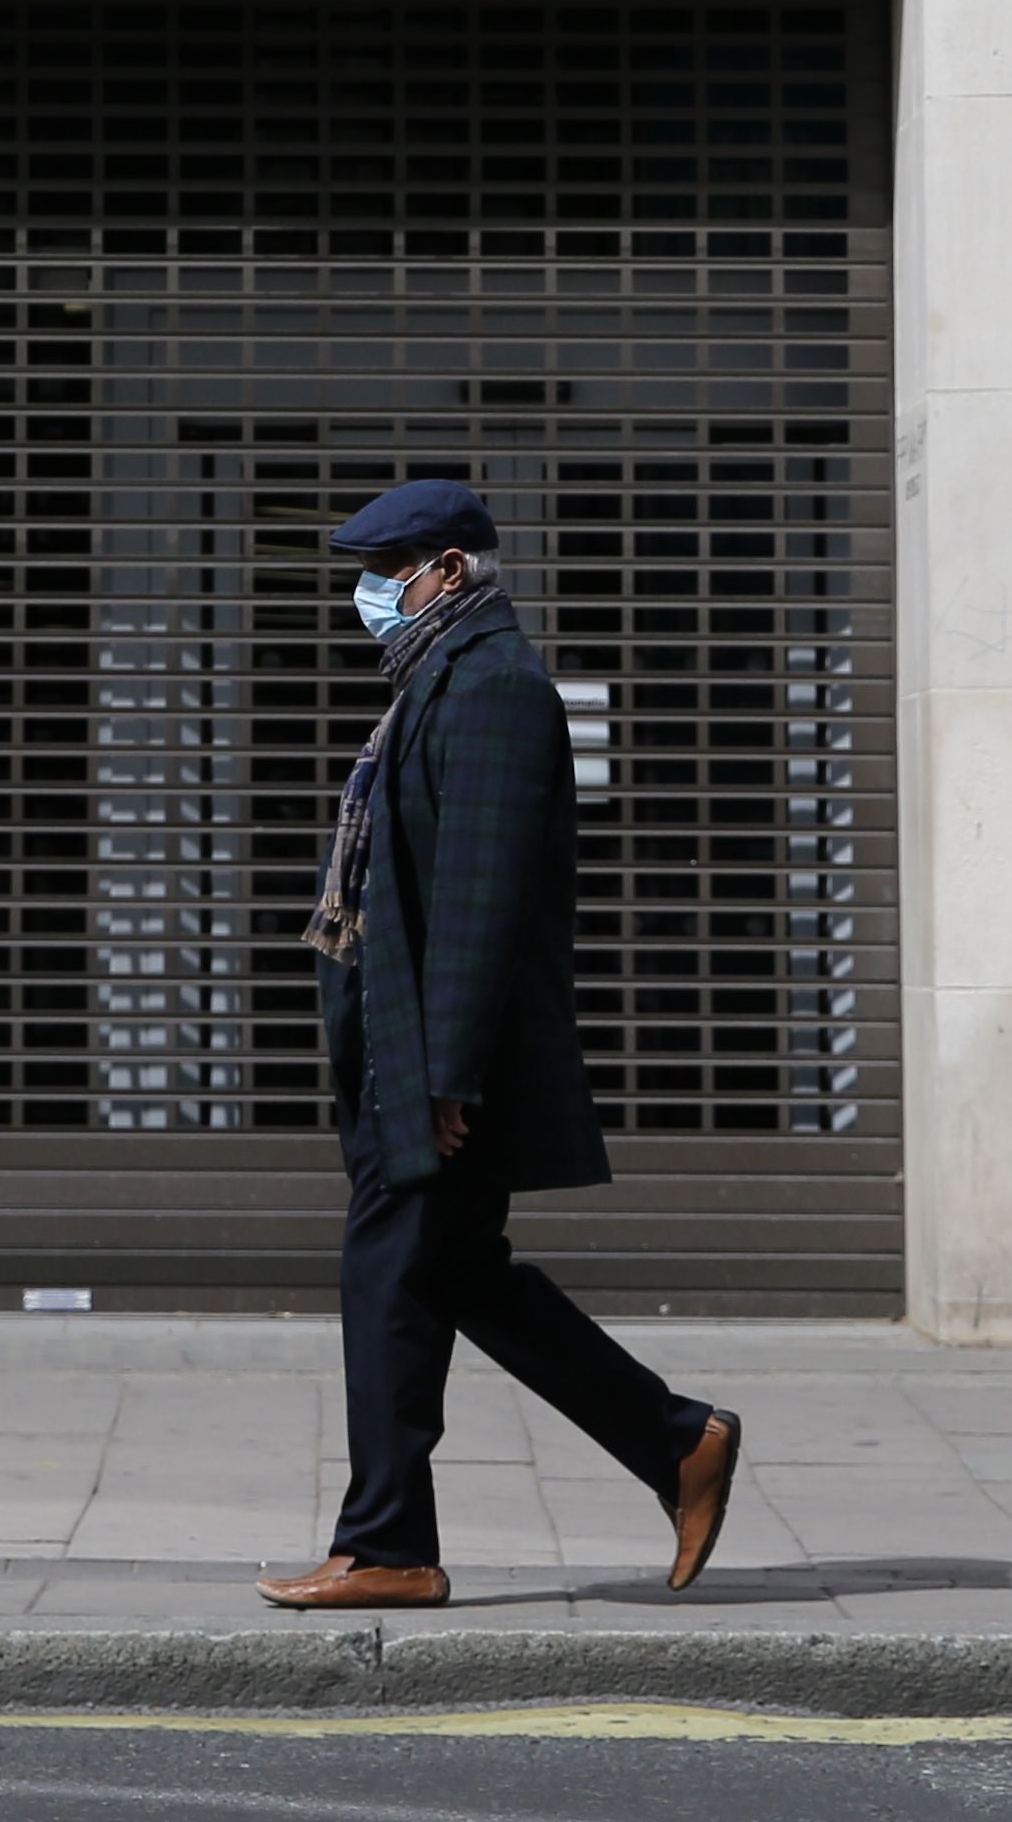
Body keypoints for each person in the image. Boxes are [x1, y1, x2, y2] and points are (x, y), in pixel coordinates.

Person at [258, 477, 743, 1611]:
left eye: (392, 571)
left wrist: (445, 1078)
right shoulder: (440, 680)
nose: (371, 593)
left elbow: (481, 903)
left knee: (388, 1280)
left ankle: (388, 1548)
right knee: (457, 1274)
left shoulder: (497, 691)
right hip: (411, 1049)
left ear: (454, 571)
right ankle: (677, 1442)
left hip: (433, 1066)